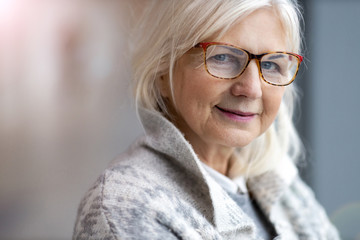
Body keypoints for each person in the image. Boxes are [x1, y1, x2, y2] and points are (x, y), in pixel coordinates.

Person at [73, 0, 340, 239]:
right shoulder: (128, 202)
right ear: (163, 71)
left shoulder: (281, 185)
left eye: (271, 64)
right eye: (222, 57)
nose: (251, 89)